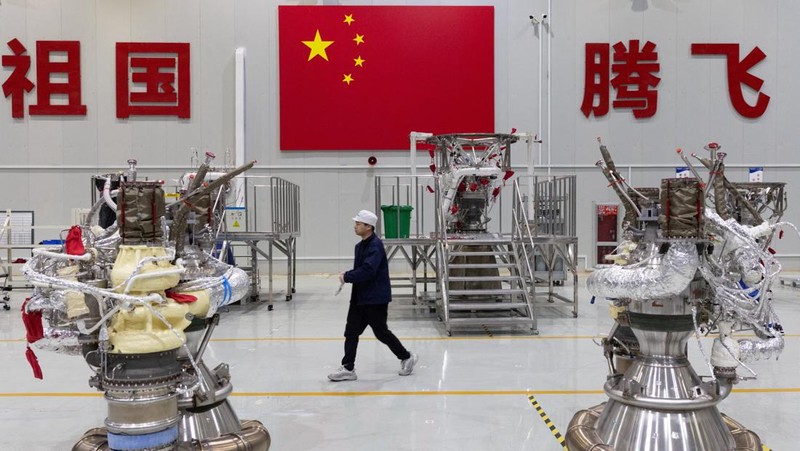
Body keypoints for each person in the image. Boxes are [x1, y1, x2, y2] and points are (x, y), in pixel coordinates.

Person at [328, 210, 418, 382]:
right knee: (351, 332)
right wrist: (349, 274)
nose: (355, 227)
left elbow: (369, 271)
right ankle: (348, 368)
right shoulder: (360, 246)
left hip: (375, 299)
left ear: (368, 227)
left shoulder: (375, 245)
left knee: (381, 332)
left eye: (358, 224)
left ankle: (406, 357)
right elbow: (362, 269)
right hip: (360, 298)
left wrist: (348, 276)